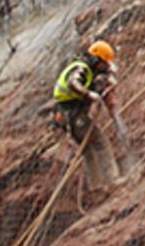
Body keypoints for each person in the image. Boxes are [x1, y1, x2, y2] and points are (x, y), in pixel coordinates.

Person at [52, 40, 122, 195]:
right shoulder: (81, 69)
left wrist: (108, 81)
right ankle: (113, 181)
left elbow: (103, 77)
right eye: (104, 63)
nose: (104, 67)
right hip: (73, 115)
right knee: (100, 143)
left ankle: (96, 188)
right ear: (96, 60)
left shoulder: (86, 68)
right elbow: (73, 83)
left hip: (65, 116)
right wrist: (89, 94)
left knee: (88, 151)